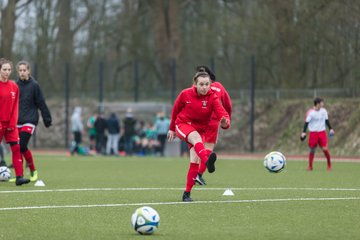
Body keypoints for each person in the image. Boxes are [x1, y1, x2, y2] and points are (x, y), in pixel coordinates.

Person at [167, 71, 230, 202]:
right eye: (201, 84)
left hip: (200, 129)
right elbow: (175, 110)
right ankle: (207, 162)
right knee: (196, 138)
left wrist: (225, 123)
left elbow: (222, 114)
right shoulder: (185, 94)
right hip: (183, 124)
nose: (204, 87)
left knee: (194, 160)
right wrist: (172, 128)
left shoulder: (212, 97)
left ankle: (186, 194)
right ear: (195, 84)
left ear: (210, 84)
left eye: (207, 84)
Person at [13, 60, 52, 182]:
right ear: (18, 72)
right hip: (17, 121)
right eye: (20, 70)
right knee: (17, 147)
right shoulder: (14, 86)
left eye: (24, 70)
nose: (22, 72)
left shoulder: (34, 85)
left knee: (22, 145)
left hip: (30, 119)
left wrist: (47, 118)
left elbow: (41, 102)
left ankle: (33, 169)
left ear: (28, 71)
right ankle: (19, 175)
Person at [194, 66, 232, 185]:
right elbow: (228, 104)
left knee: (197, 147)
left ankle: (195, 174)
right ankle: (198, 174)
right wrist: (226, 119)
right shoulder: (219, 86)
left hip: (199, 120)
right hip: (214, 121)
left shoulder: (196, 87)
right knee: (208, 149)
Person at [0, 58, 30, 185]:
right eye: (4, 69)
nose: (7, 72)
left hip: (10, 124)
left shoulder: (14, 86)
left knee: (17, 148)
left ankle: (19, 177)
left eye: (9, 69)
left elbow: (15, 107)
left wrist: (13, 123)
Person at [301, 97, 334, 171]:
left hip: (322, 132)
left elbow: (326, 120)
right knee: (312, 150)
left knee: (325, 149)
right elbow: (306, 123)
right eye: (322, 102)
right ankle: (310, 166)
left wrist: (331, 129)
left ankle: (329, 165)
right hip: (313, 133)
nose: (323, 104)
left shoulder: (324, 111)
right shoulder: (311, 113)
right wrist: (303, 132)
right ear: (318, 104)